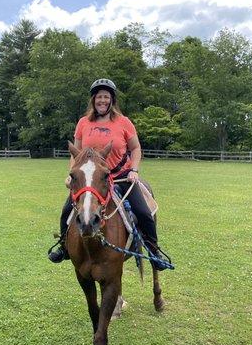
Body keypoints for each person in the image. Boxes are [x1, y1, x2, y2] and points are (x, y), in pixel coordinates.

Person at [48, 78, 165, 269]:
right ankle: (64, 247)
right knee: (66, 212)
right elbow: (76, 153)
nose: (102, 101)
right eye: (99, 97)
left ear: (112, 100)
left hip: (122, 177)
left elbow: (136, 149)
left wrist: (134, 170)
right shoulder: (83, 123)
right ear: (93, 100)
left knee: (144, 213)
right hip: (91, 181)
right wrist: (72, 174)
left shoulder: (124, 122)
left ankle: (154, 252)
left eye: (106, 97)